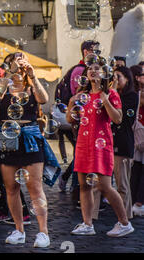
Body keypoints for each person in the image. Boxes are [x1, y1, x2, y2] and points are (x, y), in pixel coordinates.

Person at [0, 52, 58, 247]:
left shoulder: (31, 86)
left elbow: (44, 99)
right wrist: (10, 72)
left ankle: (43, 233)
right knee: (11, 187)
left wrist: (33, 75)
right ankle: (19, 229)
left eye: (23, 63)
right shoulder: (3, 85)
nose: (20, 67)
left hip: (29, 136)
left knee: (35, 187)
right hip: (7, 136)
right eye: (15, 63)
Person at [68, 61, 134, 237]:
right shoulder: (82, 95)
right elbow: (71, 119)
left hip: (101, 144)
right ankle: (87, 224)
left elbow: (118, 119)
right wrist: (70, 104)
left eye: (97, 69)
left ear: (104, 73)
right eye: (90, 68)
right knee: (84, 185)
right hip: (83, 144)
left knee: (104, 186)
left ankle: (124, 223)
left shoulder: (110, 94)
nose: (92, 71)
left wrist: (105, 100)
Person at [56, 40, 100, 194]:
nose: (98, 54)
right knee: (79, 152)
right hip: (79, 119)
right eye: (96, 51)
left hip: (87, 121)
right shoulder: (79, 70)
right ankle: (76, 187)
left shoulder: (90, 69)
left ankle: (73, 182)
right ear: (86, 52)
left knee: (81, 152)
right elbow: (79, 97)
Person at [111, 66, 139, 219]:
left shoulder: (131, 96)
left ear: (127, 79)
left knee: (122, 184)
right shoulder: (113, 95)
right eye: (113, 77)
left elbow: (120, 116)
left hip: (123, 143)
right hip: (110, 142)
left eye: (118, 76)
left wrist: (113, 91)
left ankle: (125, 217)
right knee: (101, 184)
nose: (114, 80)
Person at [130, 64, 144, 216]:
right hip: (141, 133)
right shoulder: (138, 93)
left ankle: (134, 201)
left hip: (138, 133)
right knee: (138, 169)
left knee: (136, 169)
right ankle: (138, 202)